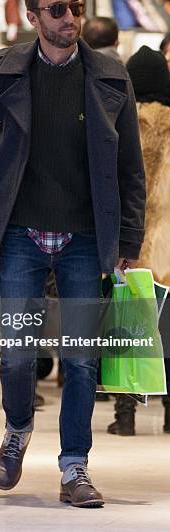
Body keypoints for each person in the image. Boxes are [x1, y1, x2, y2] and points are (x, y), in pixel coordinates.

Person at [0, 0, 145, 508]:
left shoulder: (112, 76)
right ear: (33, 19)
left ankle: (74, 468)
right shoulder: (2, 71)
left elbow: (131, 169)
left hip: (87, 235)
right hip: (20, 231)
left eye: (76, 7)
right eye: (58, 9)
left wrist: (129, 240)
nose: (70, 17)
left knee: (81, 359)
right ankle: (18, 429)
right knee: (18, 355)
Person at [107, 45, 170, 436]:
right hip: (168, 243)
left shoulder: (120, 124)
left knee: (128, 328)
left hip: (130, 242)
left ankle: (125, 415)